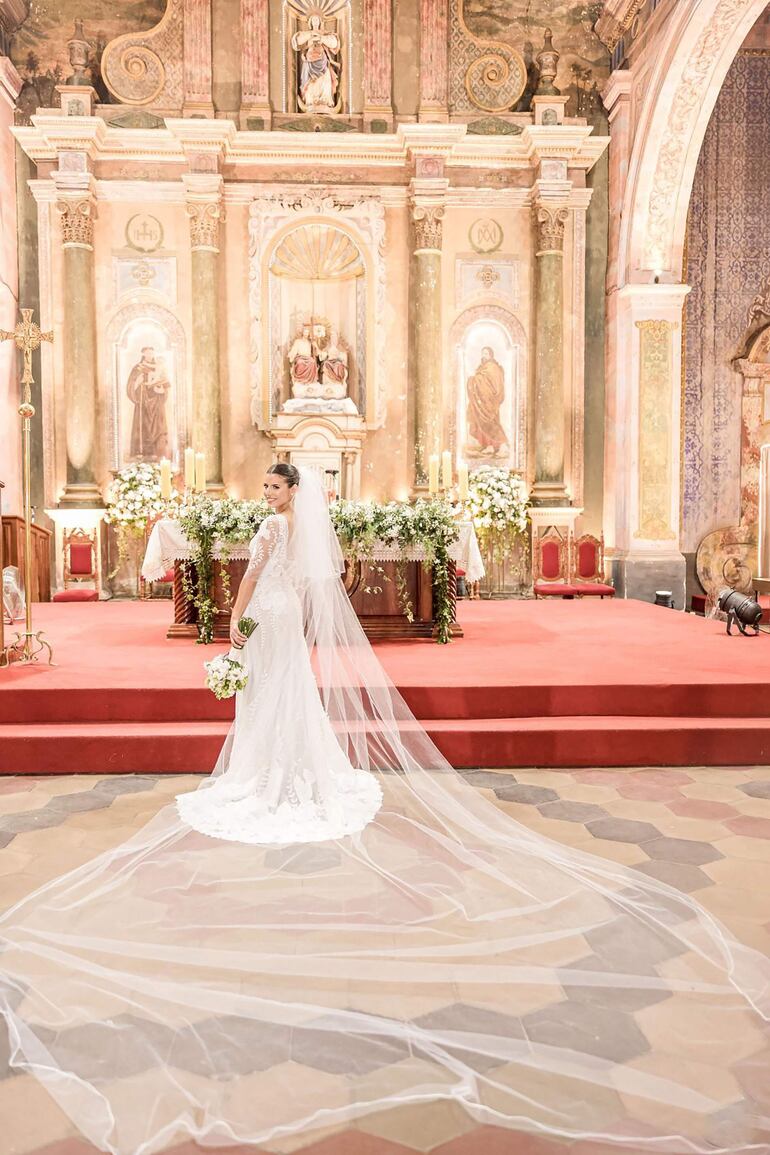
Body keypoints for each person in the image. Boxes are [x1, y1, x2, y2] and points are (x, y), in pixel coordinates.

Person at [0, 464, 768, 1155]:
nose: (267, 497)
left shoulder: (272, 527)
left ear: (289, 491)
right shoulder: (304, 530)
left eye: (274, 487)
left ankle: (270, 772)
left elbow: (247, 580)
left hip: (269, 617)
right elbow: (310, 582)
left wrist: (235, 619)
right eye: (267, 489)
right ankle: (294, 767)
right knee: (286, 694)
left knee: (271, 696)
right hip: (291, 618)